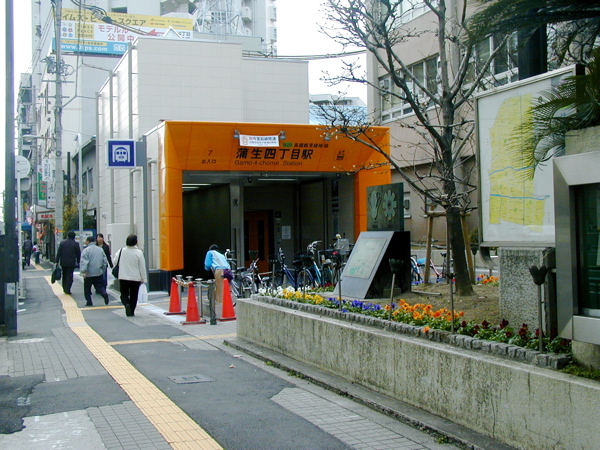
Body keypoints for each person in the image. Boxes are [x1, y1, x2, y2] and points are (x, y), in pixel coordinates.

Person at [114, 234, 147, 317]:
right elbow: (142, 267)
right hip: (135, 278)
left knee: (124, 294)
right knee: (134, 295)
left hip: (123, 277)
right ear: (136, 242)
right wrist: (144, 278)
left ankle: (126, 304)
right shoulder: (139, 253)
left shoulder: (121, 251)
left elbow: (115, 261)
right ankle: (131, 311)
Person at [80, 236, 110, 306]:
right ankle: (104, 294)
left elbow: (84, 262)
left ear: (88, 241)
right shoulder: (100, 250)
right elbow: (104, 261)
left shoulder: (86, 250)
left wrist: (83, 272)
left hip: (89, 273)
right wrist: (102, 269)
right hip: (98, 272)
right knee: (99, 287)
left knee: (87, 289)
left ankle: (89, 302)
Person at [55, 231, 81, 295]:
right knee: (70, 276)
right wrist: (78, 261)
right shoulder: (75, 244)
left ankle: (64, 288)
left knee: (64, 275)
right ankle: (68, 288)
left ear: (67, 236)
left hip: (63, 262)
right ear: (74, 237)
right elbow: (78, 254)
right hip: (71, 263)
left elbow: (59, 253)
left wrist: (56, 261)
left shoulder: (62, 243)